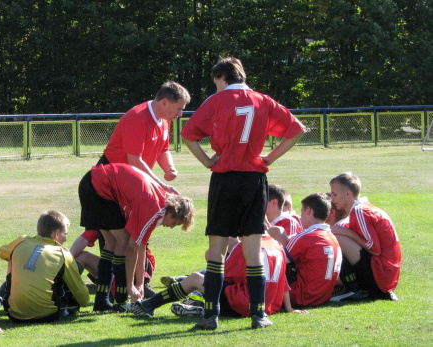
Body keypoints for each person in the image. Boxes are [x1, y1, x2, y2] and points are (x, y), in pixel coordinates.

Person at [180, 56, 306, 330]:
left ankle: (210, 315)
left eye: (216, 83)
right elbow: (296, 129)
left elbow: (187, 134)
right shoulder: (263, 100)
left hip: (224, 178)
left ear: (222, 77)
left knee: (216, 251)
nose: (216, 88)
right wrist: (269, 159)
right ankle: (258, 316)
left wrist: (206, 161)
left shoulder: (216, 101)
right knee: (252, 248)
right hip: (254, 180)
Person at [79, 163, 195, 311]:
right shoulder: (154, 210)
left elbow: (141, 248)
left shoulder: (158, 203)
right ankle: (120, 300)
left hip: (92, 183)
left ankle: (102, 301)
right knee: (122, 241)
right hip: (98, 186)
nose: (171, 227)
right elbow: (132, 248)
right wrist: (131, 286)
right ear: (173, 213)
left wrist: (140, 284)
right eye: (175, 223)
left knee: (111, 242)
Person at [125, 233, 306, 319]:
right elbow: (284, 282)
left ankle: (148, 305)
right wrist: (289, 308)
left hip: (243, 304)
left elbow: (221, 276)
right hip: (267, 306)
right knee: (206, 283)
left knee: (197, 278)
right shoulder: (277, 245)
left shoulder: (246, 248)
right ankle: (199, 307)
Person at [97, 81, 191, 194]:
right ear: (164, 103)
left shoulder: (165, 118)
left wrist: (169, 168)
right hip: (108, 181)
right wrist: (160, 185)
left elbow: (163, 149)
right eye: (179, 109)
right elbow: (134, 160)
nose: (180, 114)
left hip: (129, 180)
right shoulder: (138, 118)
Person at [0, 210, 90, 323]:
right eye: (64, 234)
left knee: (14, 277)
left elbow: (1, 252)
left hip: (14, 314)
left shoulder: (21, 242)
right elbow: (84, 300)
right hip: (48, 314)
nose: (65, 239)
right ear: (56, 234)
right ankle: (69, 306)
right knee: (63, 278)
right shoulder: (63, 253)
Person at [329, 172, 401, 301]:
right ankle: (353, 287)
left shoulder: (359, 211)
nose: (332, 200)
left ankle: (353, 289)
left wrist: (346, 232)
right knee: (340, 233)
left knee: (337, 236)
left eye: (334, 194)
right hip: (386, 275)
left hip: (382, 275)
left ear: (348, 194)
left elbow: (374, 249)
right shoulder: (363, 208)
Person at [283, 193, 342, 307]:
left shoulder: (306, 236)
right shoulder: (333, 238)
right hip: (323, 297)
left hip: (300, 295)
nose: (300, 217)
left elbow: (278, 261)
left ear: (309, 210)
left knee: (277, 233)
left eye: (302, 211)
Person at [69, 229, 158, 298]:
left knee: (130, 250)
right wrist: (64, 262)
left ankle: (141, 284)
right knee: (83, 257)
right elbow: (83, 240)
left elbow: (139, 249)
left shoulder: (126, 215)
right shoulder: (103, 218)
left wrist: (140, 282)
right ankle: (65, 288)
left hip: (141, 266)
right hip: (113, 267)